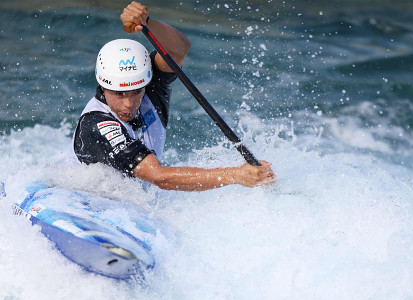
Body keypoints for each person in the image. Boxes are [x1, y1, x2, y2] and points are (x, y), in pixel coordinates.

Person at [65, 1, 275, 191]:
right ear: (103, 87)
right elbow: (159, 177)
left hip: (129, 204)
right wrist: (236, 175)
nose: (129, 103)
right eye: (119, 94)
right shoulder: (96, 125)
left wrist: (146, 22)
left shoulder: (149, 85)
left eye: (137, 92)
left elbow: (178, 49)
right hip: (81, 199)